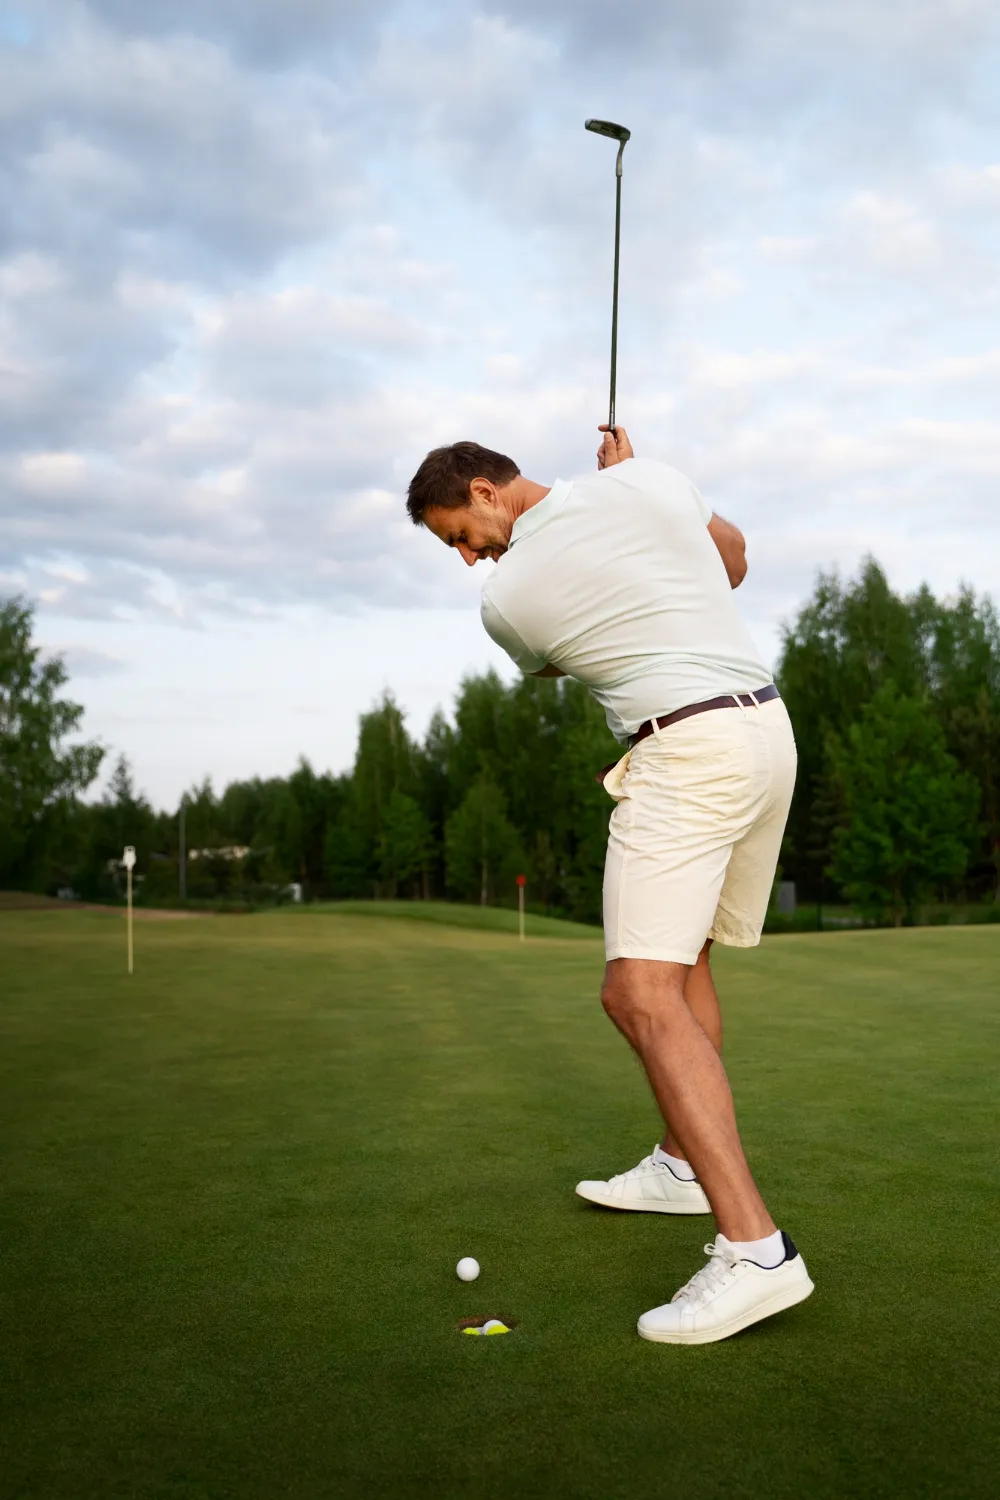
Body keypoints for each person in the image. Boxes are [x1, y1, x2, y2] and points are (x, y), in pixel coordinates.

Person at [405, 424, 814, 1345]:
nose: (471, 561)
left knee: (636, 992)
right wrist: (637, 490)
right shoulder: (653, 482)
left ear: (482, 490)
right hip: (766, 735)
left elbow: (560, 659)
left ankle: (755, 1251)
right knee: (687, 958)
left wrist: (622, 512)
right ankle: (680, 1165)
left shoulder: (508, 601)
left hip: (686, 752)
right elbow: (735, 562)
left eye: (460, 538)